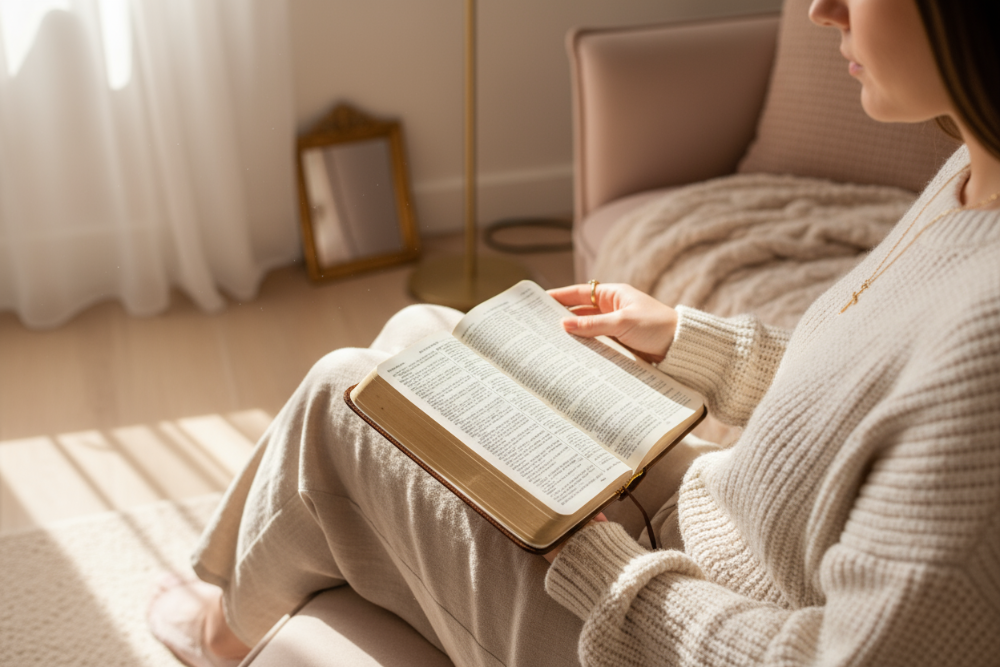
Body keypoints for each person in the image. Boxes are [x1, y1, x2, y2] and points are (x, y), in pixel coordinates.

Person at [148, 0, 1000, 665]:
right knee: (426, 336)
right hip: (712, 531)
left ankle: (226, 631)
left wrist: (606, 570)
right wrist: (687, 340)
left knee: (346, 397)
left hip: (662, 630)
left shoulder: (989, 345)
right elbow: (865, 399)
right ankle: (248, 591)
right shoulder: (970, 172)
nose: (822, 10)